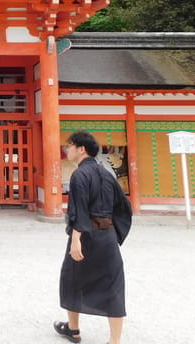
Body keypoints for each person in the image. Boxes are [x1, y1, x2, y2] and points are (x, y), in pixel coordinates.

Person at [54, 131, 132, 344]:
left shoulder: (79, 175)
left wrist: (76, 239)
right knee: (113, 285)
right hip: (107, 237)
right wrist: (114, 234)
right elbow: (123, 207)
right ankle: (114, 341)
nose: (66, 149)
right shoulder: (106, 174)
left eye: (69, 146)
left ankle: (73, 329)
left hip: (85, 237)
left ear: (81, 149)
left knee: (72, 279)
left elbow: (78, 210)